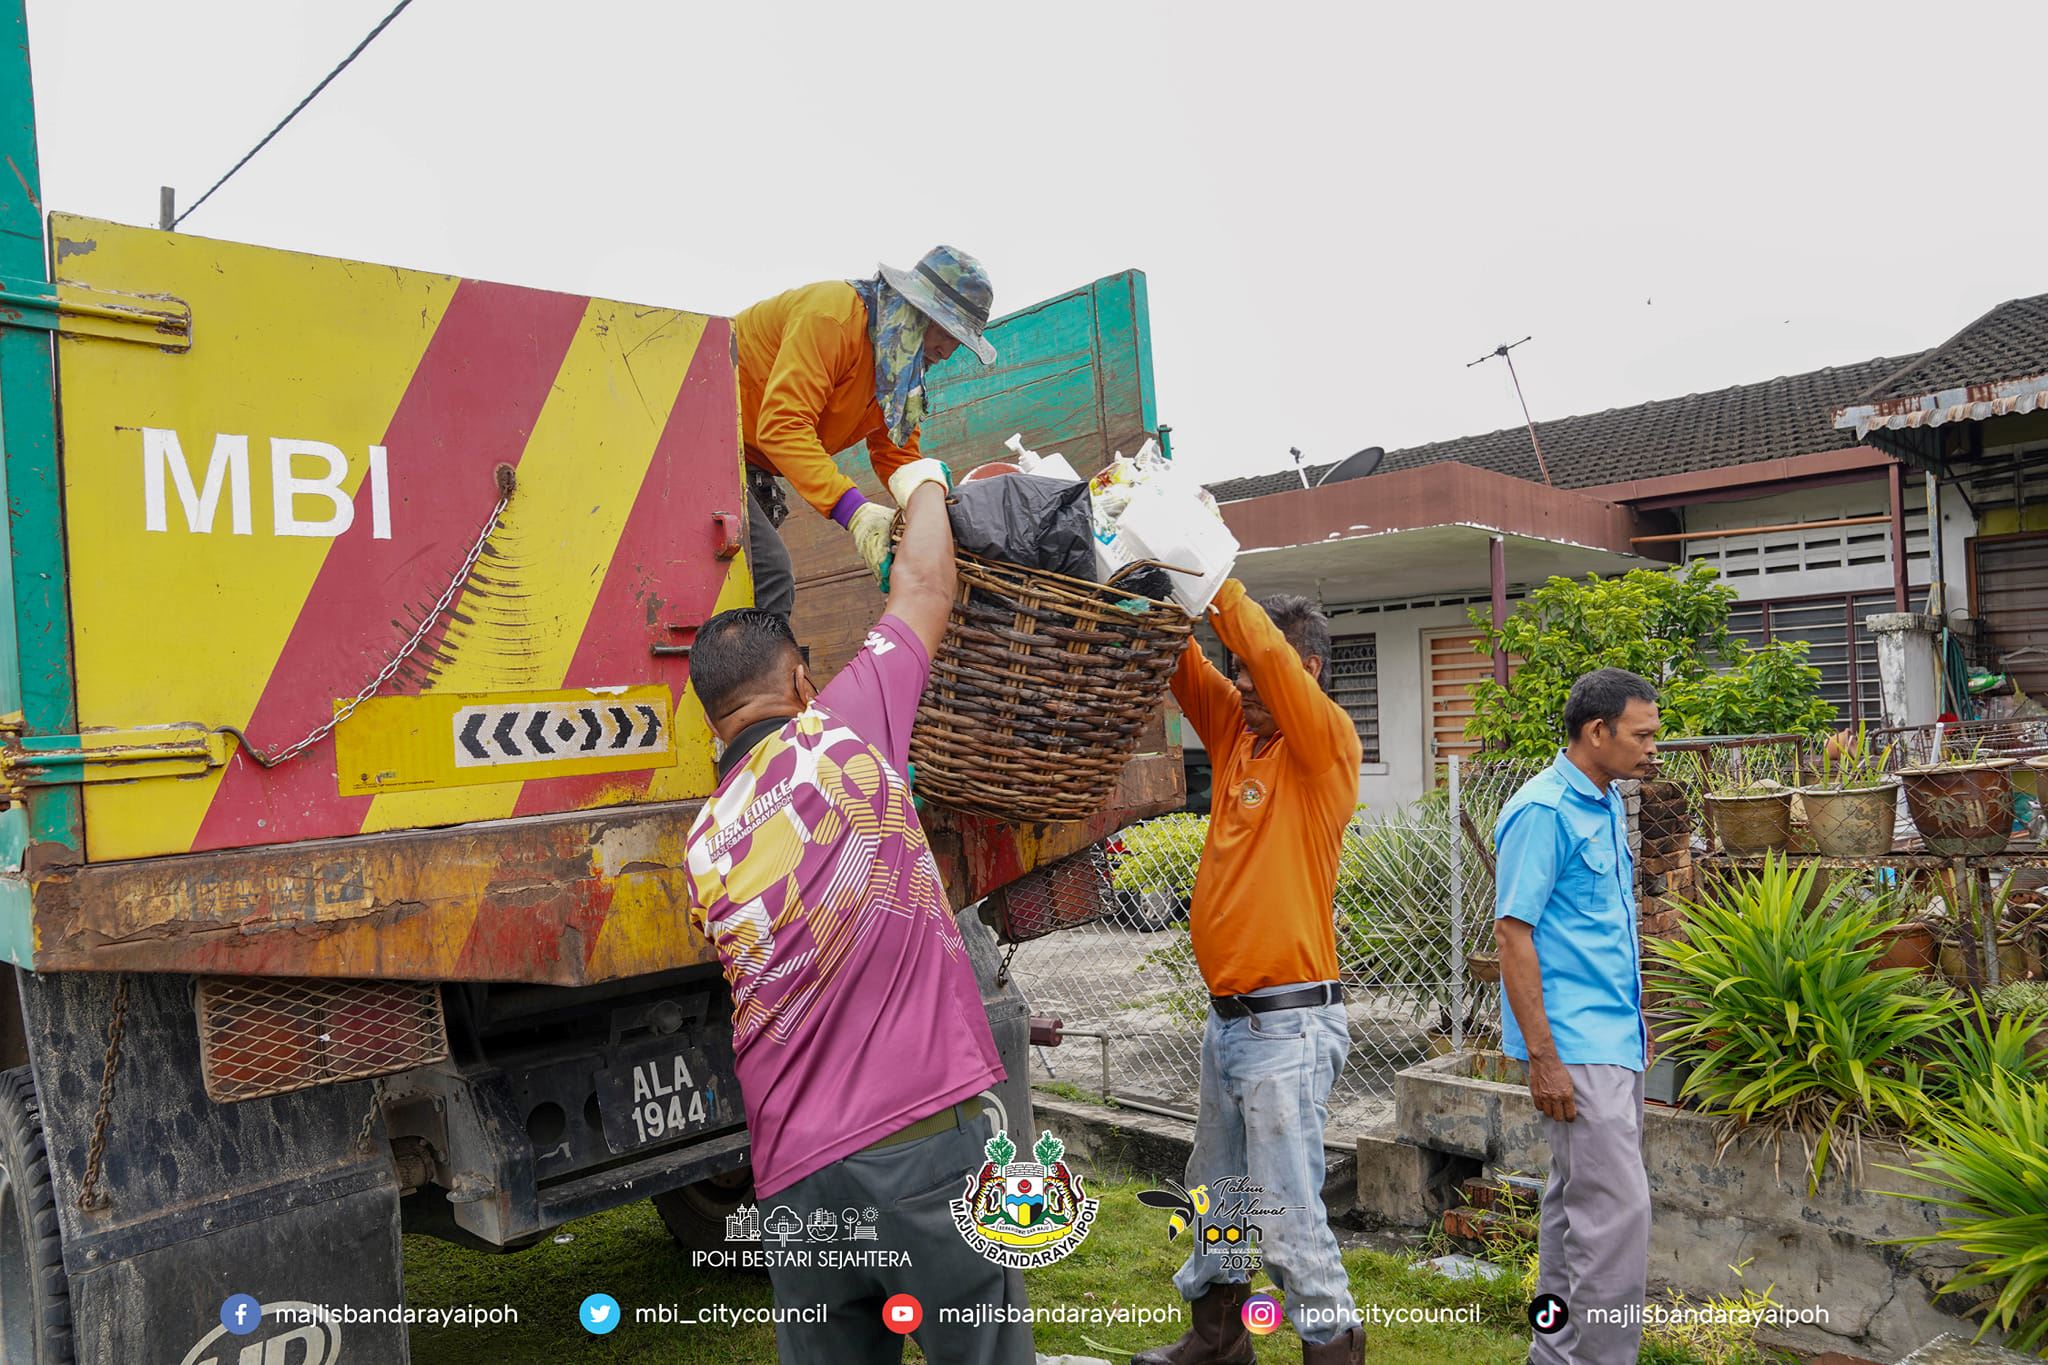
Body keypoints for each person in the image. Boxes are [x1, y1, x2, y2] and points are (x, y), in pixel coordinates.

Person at [682, 456, 1030, 1365]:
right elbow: (924, 584)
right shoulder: (843, 727)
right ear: (798, 681)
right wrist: (919, 482)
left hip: (794, 1181)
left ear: (715, 721)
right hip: (920, 1148)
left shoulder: (701, 845)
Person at [1133, 582, 1365, 1365]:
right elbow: (1182, 662)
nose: (1237, 684)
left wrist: (1215, 585)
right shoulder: (1241, 734)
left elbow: (1262, 649)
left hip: (1287, 1027)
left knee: (1286, 1215)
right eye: (1235, 673)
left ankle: (1330, 1342)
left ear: (1305, 671)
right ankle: (1220, 1339)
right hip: (1230, 1022)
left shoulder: (1324, 744)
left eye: (1254, 673)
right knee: (1219, 1195)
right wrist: (1158, 591)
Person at [1493, 667, 1661, 1365]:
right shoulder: (1544, 810)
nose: (1655, 746)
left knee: (1570, 1216)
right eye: (1642, 734)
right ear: (1597, 732)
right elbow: (1512, 933)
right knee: (1617, 1221)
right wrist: (1545, 1058)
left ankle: (1554, 1354)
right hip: (1576, 1050)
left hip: (1612, 1042)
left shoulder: (1603, 801)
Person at [734, 245, 997, 619]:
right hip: (698, 437)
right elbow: (782, 426)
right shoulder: (832, 317)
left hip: (748, 463)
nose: (948, 352)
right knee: (769, 578)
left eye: (961, 342)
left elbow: (898, 456)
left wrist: (932, 516)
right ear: (916, 309)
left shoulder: (900, 369)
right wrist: (855, 513)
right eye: (949, 332)